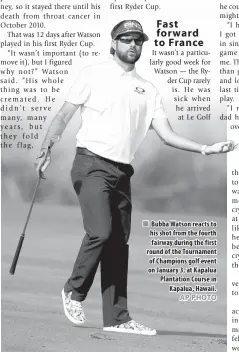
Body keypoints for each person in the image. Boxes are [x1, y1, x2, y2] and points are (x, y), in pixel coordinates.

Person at [35, 20, 237, 336]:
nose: (133, 45)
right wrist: (47, 147)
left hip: (121, 173)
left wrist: (206, 148)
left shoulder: (149, 89)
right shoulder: (93, 73)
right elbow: (63, 115)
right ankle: (74, 291)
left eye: (138, 40)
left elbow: (167, 135)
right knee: (101, 231)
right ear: (113, 43)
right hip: (90, 164)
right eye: (126, 39)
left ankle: (117, 318)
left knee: (118, 243)